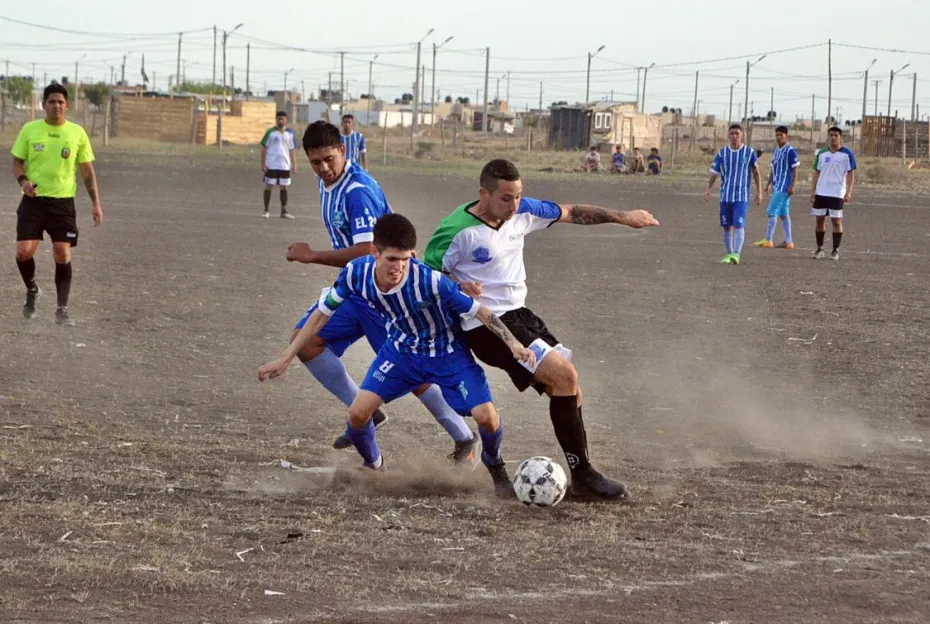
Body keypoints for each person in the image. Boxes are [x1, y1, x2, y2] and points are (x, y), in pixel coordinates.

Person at [422, 159, 659, 500]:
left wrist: (623, 217)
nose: (514, 204)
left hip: (521, 315)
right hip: (485, 324)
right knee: (564, 377)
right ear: (483, 194)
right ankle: (584, 476)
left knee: (571, 389)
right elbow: (424, 274)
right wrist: (457, 285)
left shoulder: (522, 212)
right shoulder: (456, 229)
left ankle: (582, 474)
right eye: (506, 198)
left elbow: (571, 211)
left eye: (518, 196)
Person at [259, 213, 536, 494]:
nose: (399, 267)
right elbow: (322, 314)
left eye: (405, 259)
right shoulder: (356, 274)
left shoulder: (430, 281)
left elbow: (481, 311)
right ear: (374, 252)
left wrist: (513, 343)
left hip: (448, 355)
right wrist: (286, 357)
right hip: (401, 353)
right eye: (392, 259)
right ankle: (374, 466)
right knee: (357, 414)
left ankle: (494, 463)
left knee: (487, 417)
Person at [283, 121, 477, 459]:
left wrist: (312, 256)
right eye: (316, 163)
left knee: (412, 371)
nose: (324, 168)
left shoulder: (357, 192)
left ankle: (464, 439)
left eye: (329, 159)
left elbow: (365, 250)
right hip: (357, 289)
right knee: (306, 340)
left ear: (343, 150)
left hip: (384, 294)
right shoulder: (330, 182)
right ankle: (368, 411)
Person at [12, 82, 103, 326]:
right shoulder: (30, 130)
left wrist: (96, 203)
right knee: (23, 251)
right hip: (33, 201)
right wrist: (23, 182)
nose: (57, 106)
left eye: (61, 102)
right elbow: (17, 161)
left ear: (67, 105)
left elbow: (87, 171)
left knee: (62, 253)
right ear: (44, 105)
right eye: (51, 101)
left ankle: (62, 310)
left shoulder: (77, 133)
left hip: (62, 204)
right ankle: (32, 290)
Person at [703, 124, 762, 265]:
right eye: (732, 133)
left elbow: (756, 172)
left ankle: (737, 253)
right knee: (726, 226)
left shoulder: (749, 152)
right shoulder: (722, 153)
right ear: (728, 135)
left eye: (737, 133)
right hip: (725, 196)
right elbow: (714, 173)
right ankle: (729, 254)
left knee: (738, 225)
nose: (734, 136)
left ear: (741, 135)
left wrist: (759, 191)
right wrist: (708, 188)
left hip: (741, 196)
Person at [810, 126, 856, 261]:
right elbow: (816, 172)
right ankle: (820, 249)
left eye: (836, 135)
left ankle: (835, 250)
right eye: (831, 135)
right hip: (821, 192)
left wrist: (849, 192)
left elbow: (851, 174)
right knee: (820, 219)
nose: (833, 137)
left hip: (837, 193)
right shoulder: (822, 153)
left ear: (841, 137)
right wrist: (813, 191)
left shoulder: (847, 154)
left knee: (836, 220)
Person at [755, 126, 799, 249]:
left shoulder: (790, 151)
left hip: (784, 187)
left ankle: (768, 240)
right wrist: (769, 183)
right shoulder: (776, 151)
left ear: (786, 136)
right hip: (777, 185)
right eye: (777, 135)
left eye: (781, 135)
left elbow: (795, 169)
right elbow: (773, 169)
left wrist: (792, 186)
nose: (779, 137)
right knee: (784, 214)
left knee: (771, 211)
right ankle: (788, 241)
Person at [260, 110, 297, 219]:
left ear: (286, 120)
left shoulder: (290, 133)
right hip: (271, 165)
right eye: (278, 119)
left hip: (284, 166)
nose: (280, 121)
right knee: (269, 186)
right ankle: (266, 210)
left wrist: (294, 164)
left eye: (282, 119)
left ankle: (284, 211)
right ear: (276, 120)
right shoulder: (270, 132)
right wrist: (263, 163)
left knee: (284, 187)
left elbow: (292, 150)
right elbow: (264, 149)